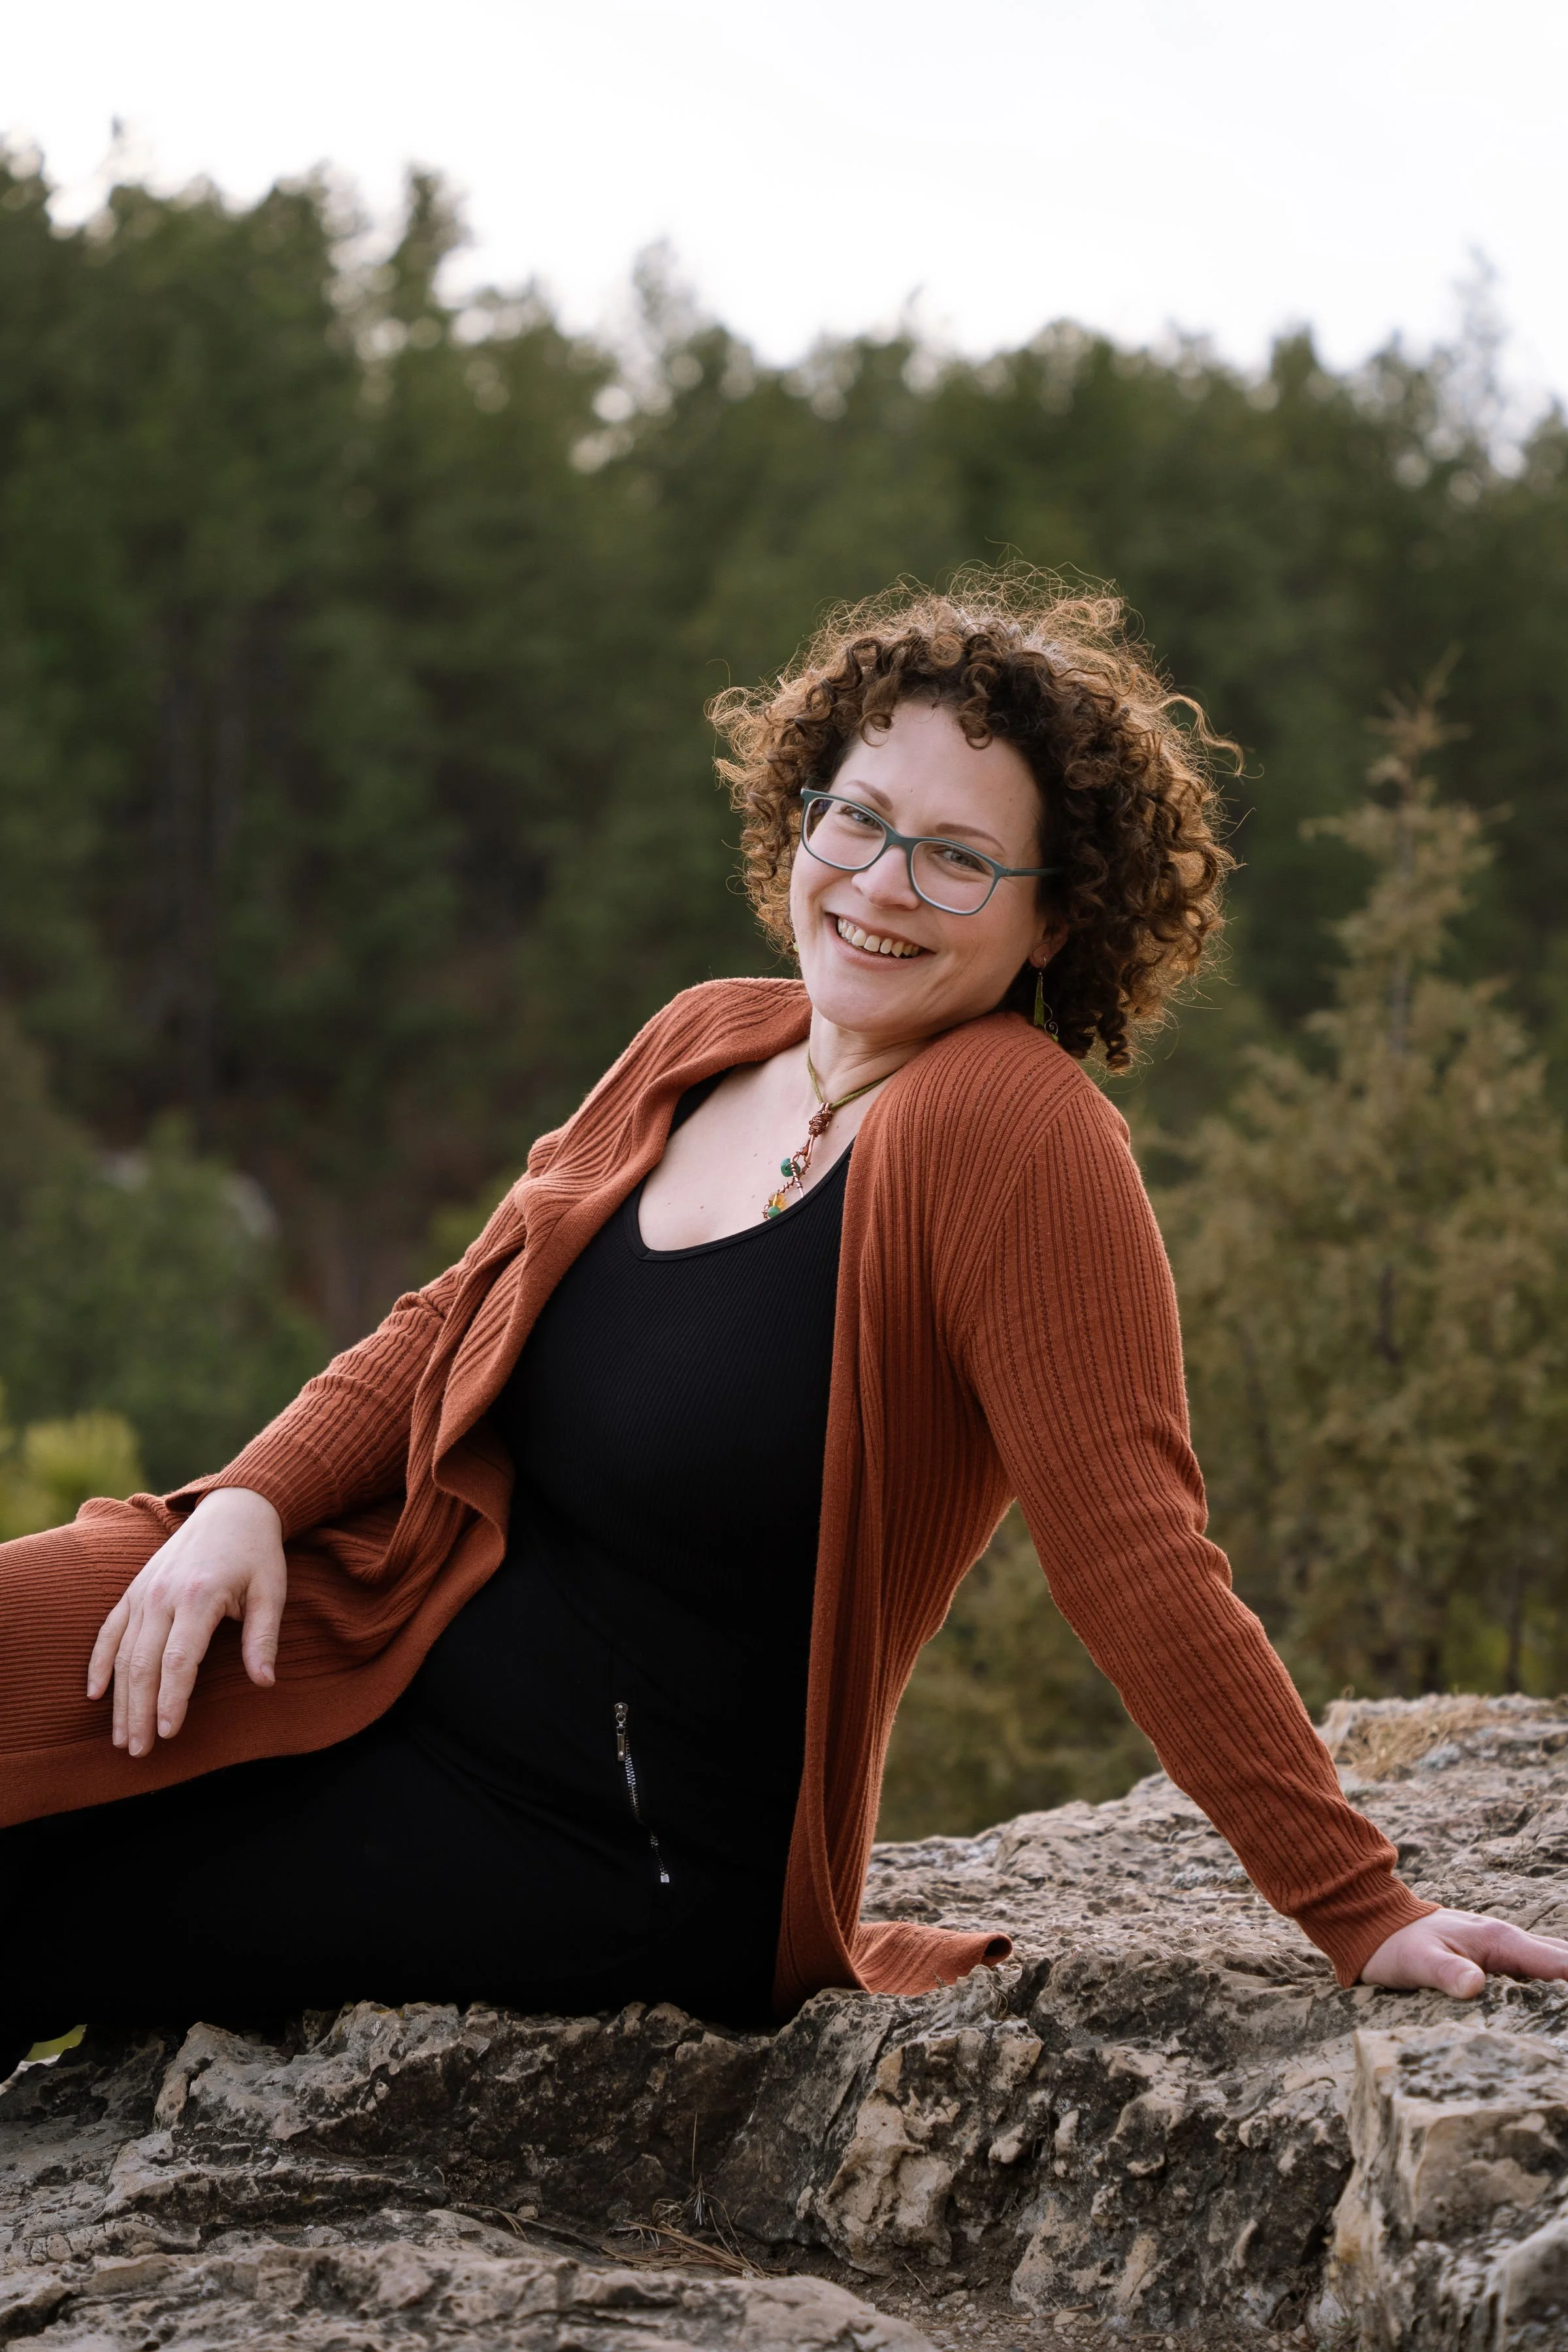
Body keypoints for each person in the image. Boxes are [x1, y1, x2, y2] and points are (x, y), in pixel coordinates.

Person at [3, 576, 1563, 2078]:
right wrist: (248, 1507)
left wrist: (1360, 1905)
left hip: (619, 1835)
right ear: (800, 815)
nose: (881, 886)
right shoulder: (705, 1036)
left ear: (1055, 923)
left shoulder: (1019, 1136)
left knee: (49, 1906)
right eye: (859, 820)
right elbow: (444, 1322)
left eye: (958, 859)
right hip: (399, 1648)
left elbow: (1136, 1552)